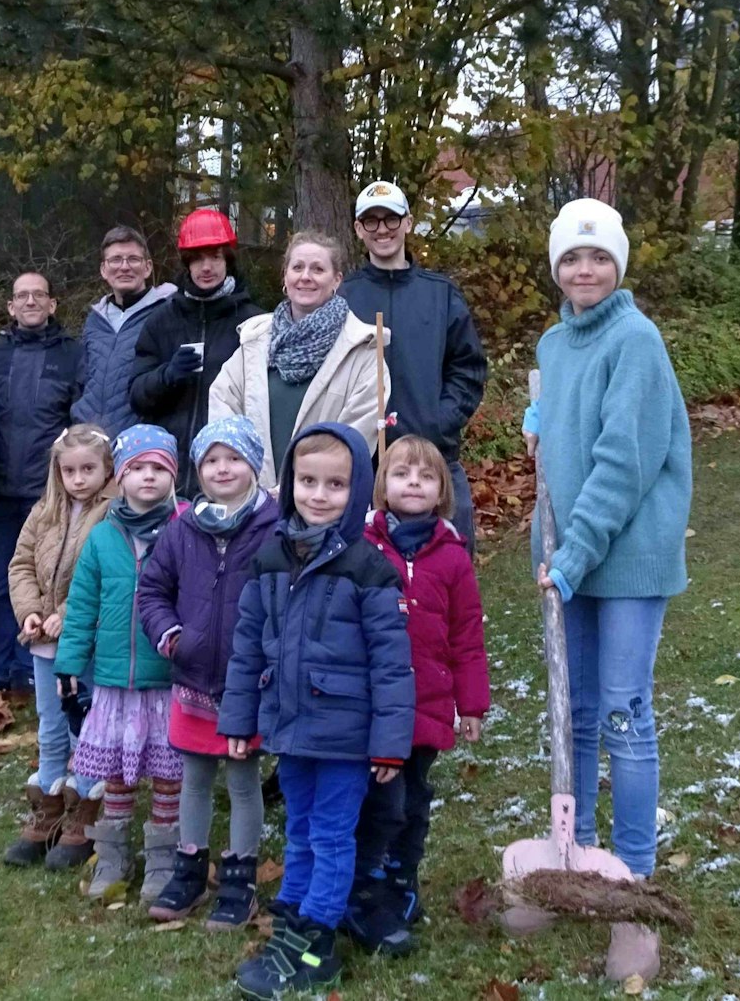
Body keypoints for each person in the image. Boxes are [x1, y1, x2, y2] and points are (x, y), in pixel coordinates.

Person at [526, 197, 692, 884]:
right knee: (576, 709)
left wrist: (572, 555)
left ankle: (633, 868)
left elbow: (624, 461)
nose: (585, 269)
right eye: (572, 257)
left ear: (618, 265)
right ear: (557, 267)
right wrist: (541, 418)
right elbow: (566, 438)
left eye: (598, 256)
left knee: (622, 707)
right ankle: (579, 850)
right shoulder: (554, 343)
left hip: (623, 556)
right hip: (571, 554)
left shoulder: (637, 340)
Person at [220, 423, 413, 999]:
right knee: (299, 831)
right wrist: (239, 719)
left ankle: (316, 944)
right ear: (289, 483)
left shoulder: (370, 569)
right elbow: (248, 642)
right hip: (290, 727)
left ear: (355, 492)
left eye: (335, 484)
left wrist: (389, 742)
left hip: (347, 737)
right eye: (308, 481)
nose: (319, 495)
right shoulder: (271, 557)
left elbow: (392, 666)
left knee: (331, 836)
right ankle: (293, 925)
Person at [345, 434, 489, 956]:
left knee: (415, 799)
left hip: (428, 703)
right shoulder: (363, 547)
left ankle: (403, 879)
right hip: (375, 705)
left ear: (441, 491)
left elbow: (467, 635)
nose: (413, 483)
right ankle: (367, 885)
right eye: (402, 473)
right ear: (383, 484)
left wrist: (470, 704)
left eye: (426, 476)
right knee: (381, 801)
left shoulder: (452, 559)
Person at [138, 416, 280, 928]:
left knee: (243, 782)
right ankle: (190, 866)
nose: (223, 469)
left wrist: (270, 651)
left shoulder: (275, 527)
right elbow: (152, 590)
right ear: (198, 470)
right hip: (193, 680)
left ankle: (240, 876)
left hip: (248, 683)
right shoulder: (182, 528)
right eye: (212, 460)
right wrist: (171, 635)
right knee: (193, 778)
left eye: (234, 458)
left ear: (254, 466)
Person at [53, 424, 186, 904]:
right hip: (113, 678)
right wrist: (69, 663)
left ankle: (164, 854)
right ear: (120, 477)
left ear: (173, 475)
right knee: (117, 768)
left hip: (166, 677)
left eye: (159, 469)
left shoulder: (184, 530)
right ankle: (113, 851)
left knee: (168, 770)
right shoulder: (103, 537)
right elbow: (82, 604)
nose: (148, 478)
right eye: (137, 469)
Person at [340, 180, 489, 552]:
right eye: (371, 221)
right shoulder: (344, 297)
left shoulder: (440, 294)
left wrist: (439, 421)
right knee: (371, 583)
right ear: (359, 230)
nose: (382, 230)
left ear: (408, 223)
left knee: (447, 571)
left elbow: (468, 368)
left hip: (434, 458)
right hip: (367, 466)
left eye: (390, 219)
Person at [0, 424, 116, 870]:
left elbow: (106, 573)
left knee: (83, 725)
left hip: (86, 643)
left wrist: (68, 614)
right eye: (70, 471)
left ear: (106, 469)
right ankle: (48, 804)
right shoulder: (45, 511)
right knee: (49, 724)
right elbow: (21, 563)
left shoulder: (113, 514)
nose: (79, 479)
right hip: (44, 642)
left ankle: (86, 808)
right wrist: (29, 610)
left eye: (88, 469)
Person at [208, 232, 389, 489]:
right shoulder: (254, 341)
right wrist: (247, 485)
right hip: (251, 502)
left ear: (336, 279)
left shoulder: (364, 350)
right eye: (297, 267)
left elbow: (356, 436)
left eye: (318, 269)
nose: (306, 276)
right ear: (285, 276)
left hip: (321, 502)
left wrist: (297, 489)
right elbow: (222, 409)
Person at [0, 272, 86, 702]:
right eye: (21, 295)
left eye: (38, 294)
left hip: (49, 493)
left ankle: (32, 669)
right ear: (10, 306)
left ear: (52, 304)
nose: (30, 301)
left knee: (48, 581)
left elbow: (79, 421)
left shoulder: (73, 355)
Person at [129, 209, 264, 495]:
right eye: (198, 258)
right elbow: (137, 396)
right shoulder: (162, 320)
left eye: (215, 257)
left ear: (228, 261)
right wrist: (167, 376)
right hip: (168, 473)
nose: (207, 267)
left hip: (228, 472)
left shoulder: (254, 323)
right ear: (186, 264)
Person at [75, 226, 178, 437]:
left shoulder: (167, 313)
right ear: (104, 269)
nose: (124, 267)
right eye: (115, 260)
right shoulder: (94, 320)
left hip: (141, 446)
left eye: (133, 259)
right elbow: (82, 379)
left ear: (148, 267)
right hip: (92, 445)